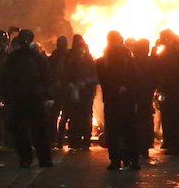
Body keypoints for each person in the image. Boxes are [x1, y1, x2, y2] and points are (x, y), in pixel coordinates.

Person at [1, 30, 54, 169]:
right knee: (39, 130)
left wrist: (6, 97)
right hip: (34, 98)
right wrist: (48, 96)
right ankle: (44, 159)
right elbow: (47, 77)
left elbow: (5, 79)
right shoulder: (38, 57)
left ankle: (26, 159)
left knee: (21, 131)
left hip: (20, 98)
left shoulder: (13, 57)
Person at [97, 31, 141, 170]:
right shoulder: (128, 58)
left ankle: (116, 161)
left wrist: (117, 87)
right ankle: (132, 160)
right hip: (125, 100)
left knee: (115, 131)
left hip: (113, 100)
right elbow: (136, 76)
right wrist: (125, 87)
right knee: (129, 131)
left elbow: (103, 79)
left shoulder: (104, 60)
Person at [62, 34, 98, 150]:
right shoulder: (86, 58)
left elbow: (66, 73)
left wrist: (80, 83)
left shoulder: (74, 56)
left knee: (77, 116)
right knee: (82, 116)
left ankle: (77, 141)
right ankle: (81, 141)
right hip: (80, 91)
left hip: (82, 91)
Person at [154, 30, 179, 154]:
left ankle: (172, 144)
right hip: (178, 91)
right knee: (175, 117)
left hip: (170, 91)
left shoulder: (168, 53)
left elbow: (158, 68)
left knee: (169, 117)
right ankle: (174, 143)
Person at [131, 38, 156, 157]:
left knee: (137, 120)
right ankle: (145, 144)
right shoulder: (151, 61)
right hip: (147, 94)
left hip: (136, 94)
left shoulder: (134, 61)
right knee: (146, 118)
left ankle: (138, 144)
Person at [47, 36, 69, 148]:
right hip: (63, 90)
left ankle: (55, 139)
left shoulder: (53, 57)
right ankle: (58, 139)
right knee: (62, 116)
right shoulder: (69, 57)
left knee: (55, 116)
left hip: (58, 90)